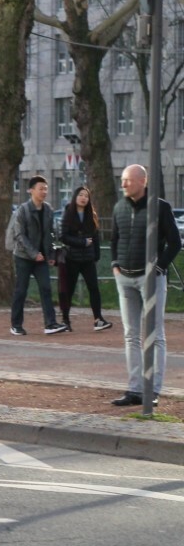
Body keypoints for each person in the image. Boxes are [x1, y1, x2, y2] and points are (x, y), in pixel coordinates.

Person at [108, 163, 182, 406]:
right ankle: (134, 389)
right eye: (122, 180)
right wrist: (115, 265)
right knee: (131, 335)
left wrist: (158, 268)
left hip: (150, 280)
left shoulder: (159, 207)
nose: (123, 184)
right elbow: (114, 239)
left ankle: (153, 389)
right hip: (125, 279)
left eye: (128, 180)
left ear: (142, 181)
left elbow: (175, 243)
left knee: (155, 334)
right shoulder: (119, 207)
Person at [6, 175, 65, 337]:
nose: (44, 192)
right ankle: (16, 325)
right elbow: (19, 235)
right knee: (21, 291)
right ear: (31, 190)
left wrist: (51, 254)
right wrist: (34, 253)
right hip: (24, 257)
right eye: (41, 189)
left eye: (46, 189)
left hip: (42, 258)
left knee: (46, 288)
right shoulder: (22, 211)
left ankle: (50, 323)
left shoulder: (48, 210)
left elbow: (50, 234)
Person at [57, 186, 111, 332]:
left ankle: (98, 319)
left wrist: (96, 254)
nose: (83, 198)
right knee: (69, 289)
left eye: (86, 196)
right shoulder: (68, 214)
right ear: (75, 197)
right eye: (80, 195)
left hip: (88, 259)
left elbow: (95, 236)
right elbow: (63, 236)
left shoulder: (91, 215)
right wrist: (81, 242)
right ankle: (65, 320)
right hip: (72, 258)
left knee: (94, 288)